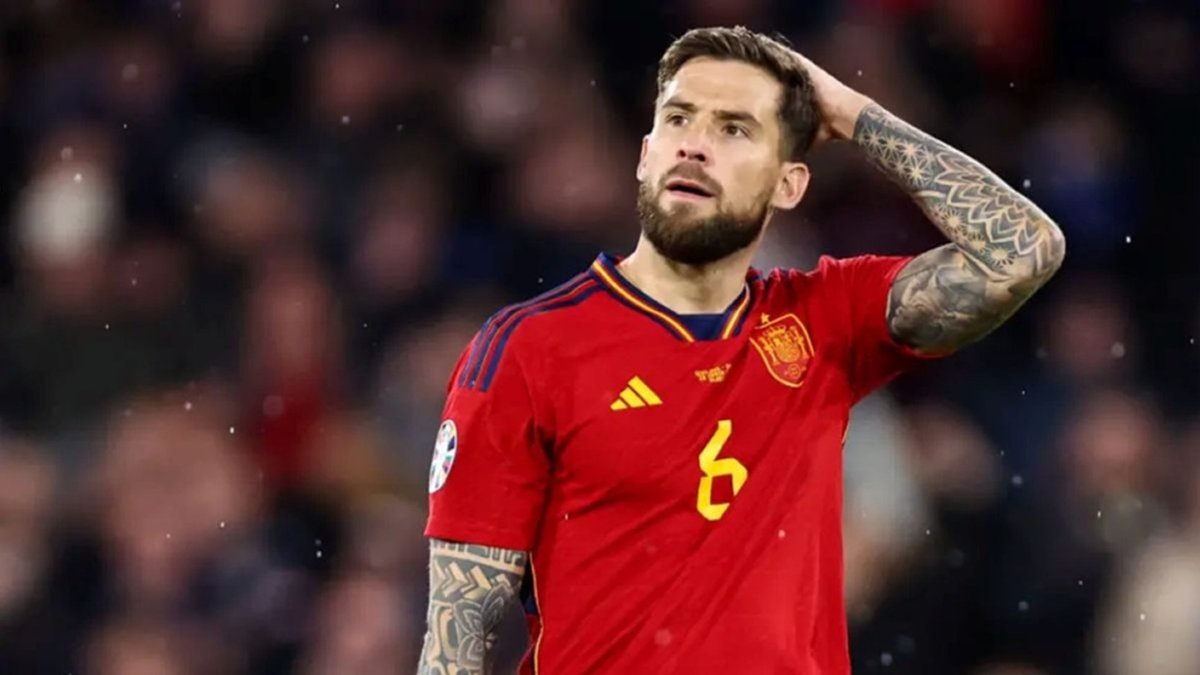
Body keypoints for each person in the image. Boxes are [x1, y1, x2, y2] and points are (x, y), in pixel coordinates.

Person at [418, 26, 1065, 675]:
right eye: (679, 119)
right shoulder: (528, 349)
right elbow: (457, 634)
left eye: (734, 129)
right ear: (645, 155)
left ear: (789, 184)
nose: (694, 145)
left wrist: (852, 113)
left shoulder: (825, 318)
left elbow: (1022, 251)